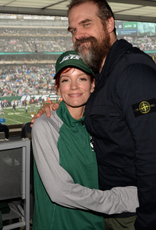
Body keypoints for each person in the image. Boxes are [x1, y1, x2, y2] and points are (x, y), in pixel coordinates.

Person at [31, 0, 156, 229]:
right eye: (73, 30)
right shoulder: (103, 73)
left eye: (86, 24)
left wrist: (149, 220)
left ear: (110, 23)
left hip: (138, 209)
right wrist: (48, 112)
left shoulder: (133, 73)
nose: (78, 35)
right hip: (113, 209)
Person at [32, 50, 139, 230]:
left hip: (95, 224)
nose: (74, 86)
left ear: (92, 84)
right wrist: (122, 199)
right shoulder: (45, 126)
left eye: (81, 78)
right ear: (58, 88)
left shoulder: (100, 125)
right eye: (66, 80)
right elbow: (60, 192)